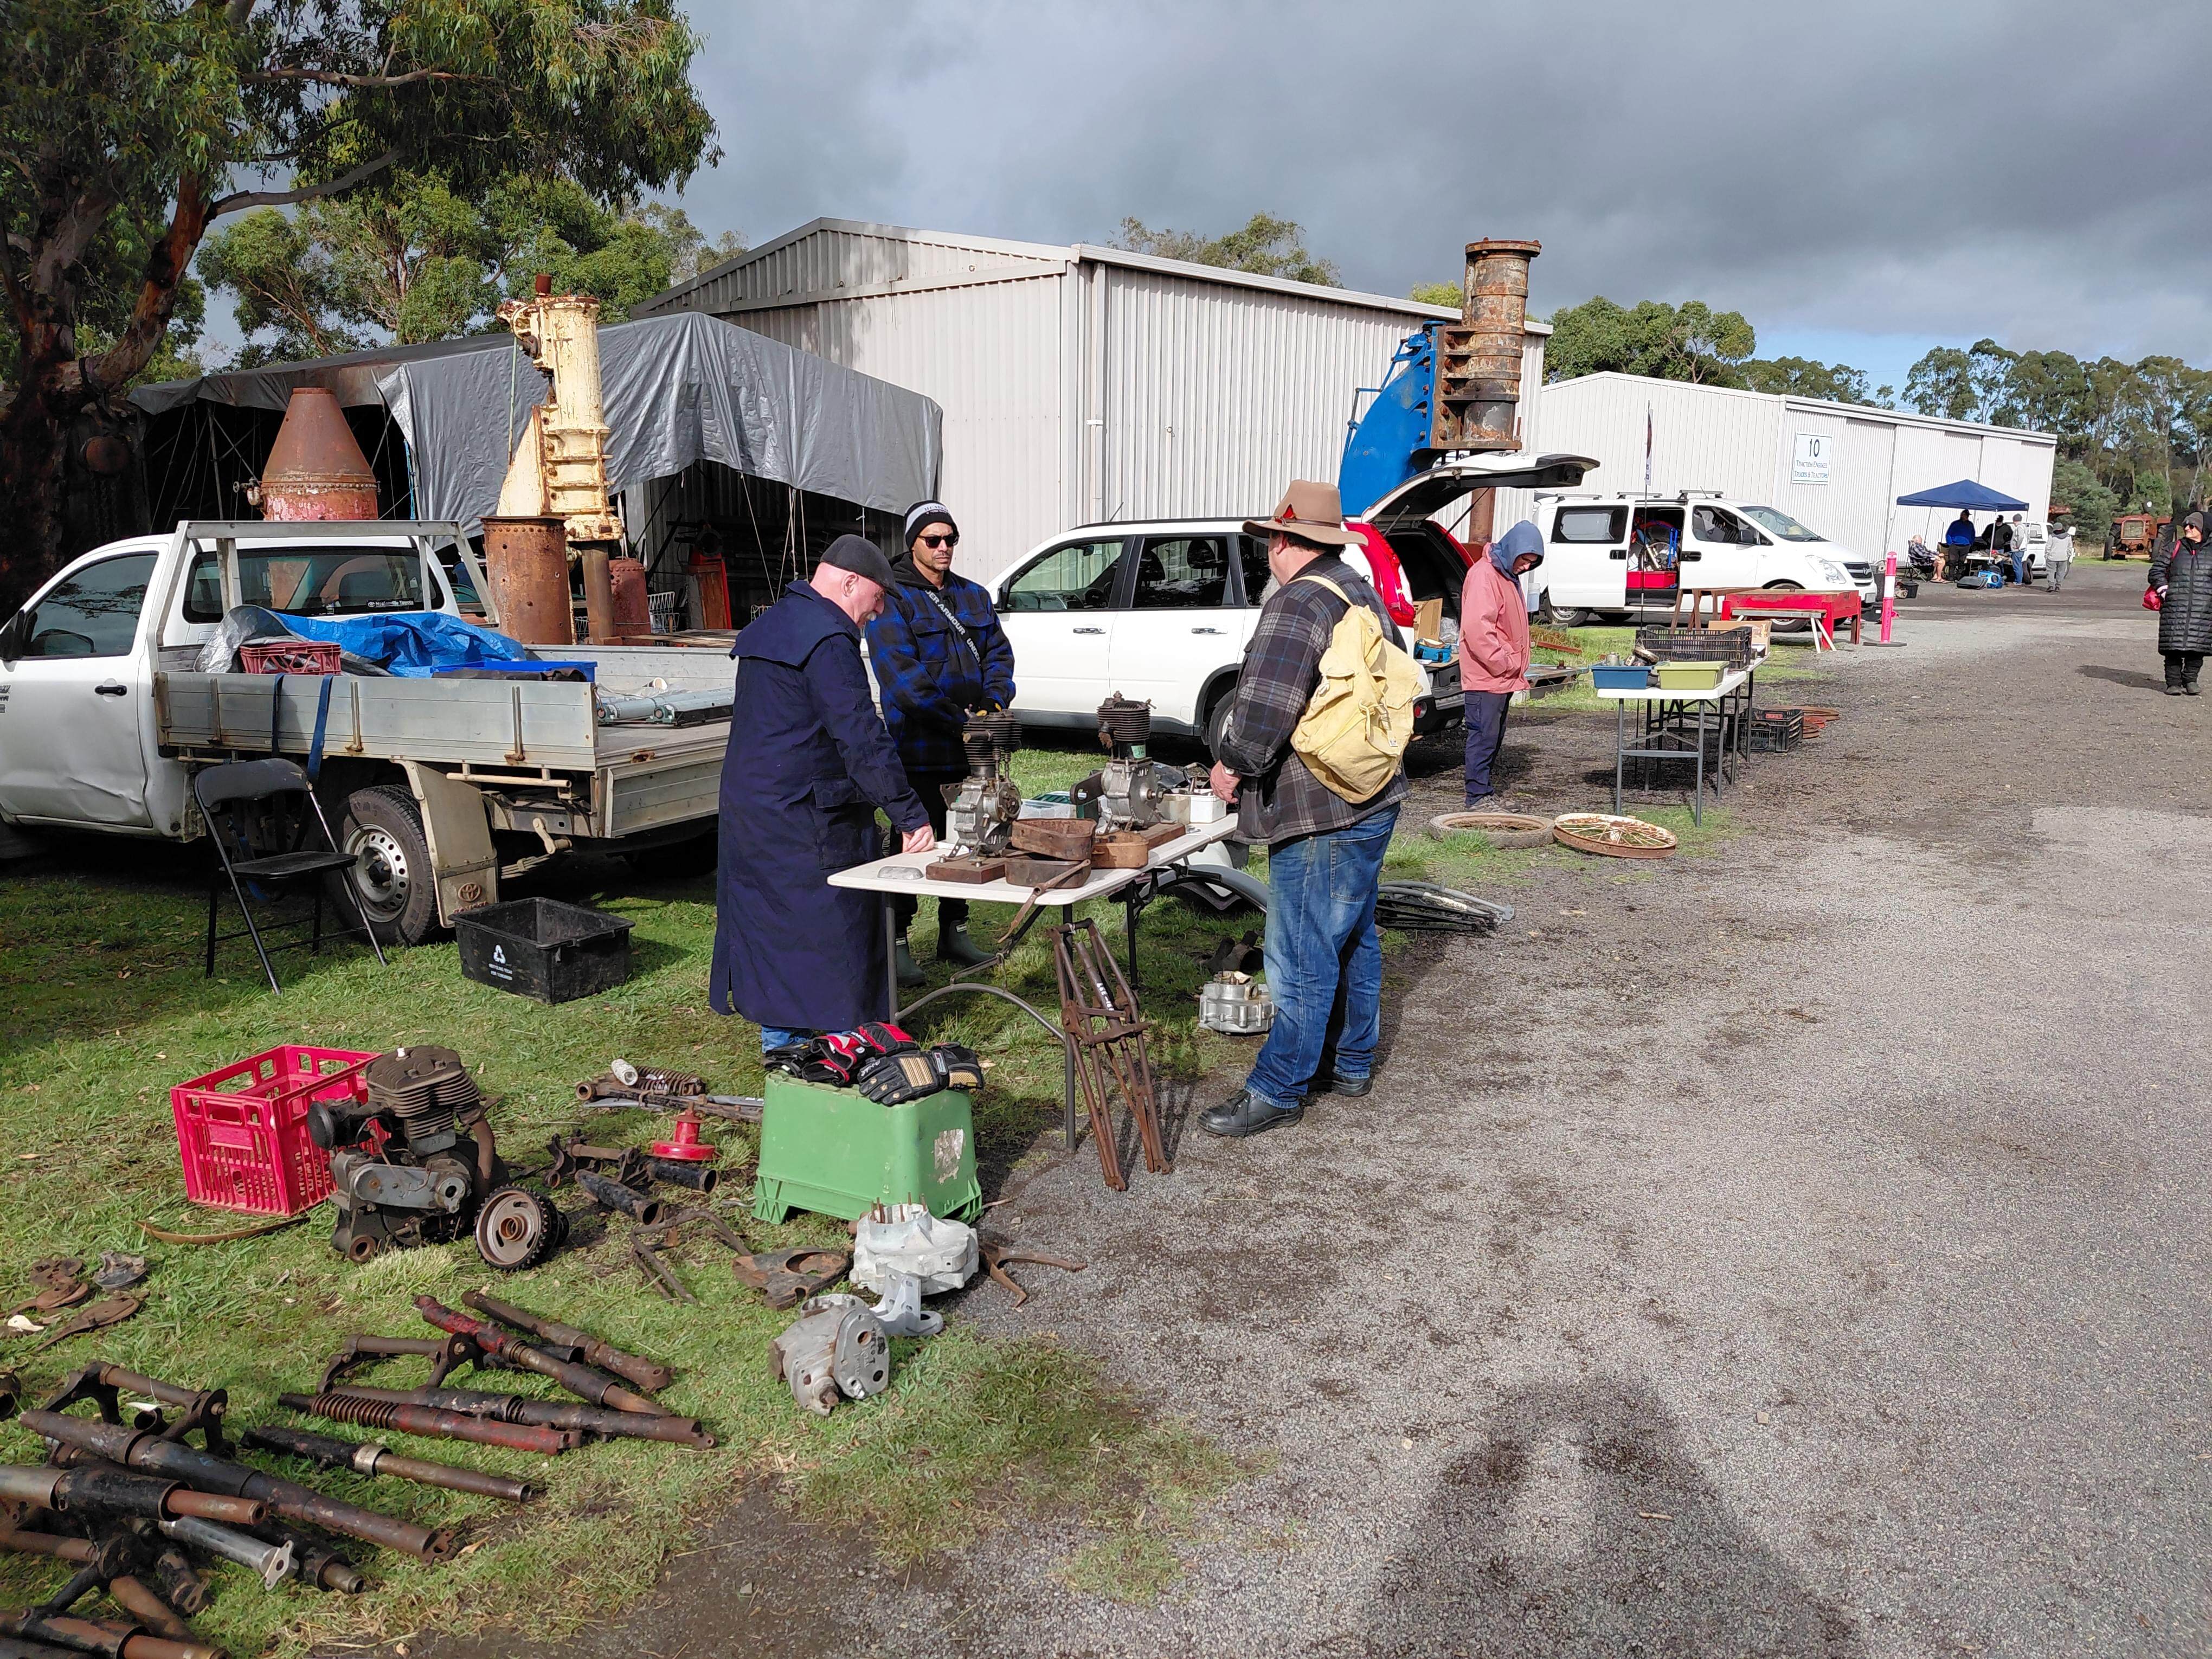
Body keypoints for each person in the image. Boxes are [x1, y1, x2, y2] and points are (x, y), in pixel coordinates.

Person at [1200, 480, 1407, 1140]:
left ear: (1282, 541)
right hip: (1374, 792)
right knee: (1353, 936)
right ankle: (1348, 1063)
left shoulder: (1296, 603)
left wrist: (1231, 764)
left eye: (1270, 541)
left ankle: (1280, 1086)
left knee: (1299, 950)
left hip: (1318, 806)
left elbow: (1262, 711)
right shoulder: (1359, 590)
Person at [710, 535, 935, 1048]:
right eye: (876, 599)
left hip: (754, 809)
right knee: (835, 930)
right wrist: (908, 815)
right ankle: (842, 1046)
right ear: (848, 581)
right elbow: (861, 737)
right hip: (807, 815)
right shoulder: (828, 640)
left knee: (772, 927)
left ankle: (783, 1048)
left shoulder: (775, 624)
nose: (876, 614)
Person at [864, 500, 1018, 985]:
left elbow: (998, 653)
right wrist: (959, 721)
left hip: (974, 752)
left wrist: (993, 705)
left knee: (971, 838)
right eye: (933, 540)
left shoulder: (973, 596)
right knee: (915, 843)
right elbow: (902, 681)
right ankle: (899, 940)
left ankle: (955, 930)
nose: (944, 548)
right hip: (920, 749)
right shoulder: (894, 600)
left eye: (950, 539)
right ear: (912, 543)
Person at [1460, 519, 1545, 809]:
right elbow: (1478, 629)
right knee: (1483, 737)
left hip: (1500, 676)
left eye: (1532, 563)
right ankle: (1477, 797)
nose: (1525, 567)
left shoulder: (1506, 574)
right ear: (1513, 550)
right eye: (1525, 560)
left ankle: (1484, 792)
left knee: (1493, 736)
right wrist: (1505, 663)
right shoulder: (1486, 576)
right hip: (1487, 676)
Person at [2149, 512, 2212, 695]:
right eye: (2185, 525)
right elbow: (2156, 571)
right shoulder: (2174, 547)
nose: (2187, 528)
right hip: (2175, 606)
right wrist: (2164, 590)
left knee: (2197, 647)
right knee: (2173, 647)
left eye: (2192, 526)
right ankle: (2173, 683)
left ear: (2203, 529)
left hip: (2204, 608)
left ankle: (2191, 680)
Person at [1943, 511, 1975, 581]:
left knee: (1962, 562)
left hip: (1966, 546)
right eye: (1962, 515)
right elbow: (1949, 534)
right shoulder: (1955, 524)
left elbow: (1973, 535)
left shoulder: (1970, 525)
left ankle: (1959, 577)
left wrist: (1970, 543)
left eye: (1965, 515)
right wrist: (1950, 543)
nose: (1963, 516)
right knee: (1952, 562)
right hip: (1954, 545)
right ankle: (1951, 577)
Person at [2045, 520, 2076, 592]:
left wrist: (2047, 556)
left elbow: (2048, 547)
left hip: (2052, 557)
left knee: (2050, 572)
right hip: (2063, 557)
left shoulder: (2052, 536)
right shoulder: (2068, 537)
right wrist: (2067, 555)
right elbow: (2070, 547)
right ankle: (2058, 586)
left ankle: (2051, 586)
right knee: (2061, 572)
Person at [1991, 513, 2016, 583]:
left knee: (2000, 563)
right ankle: (1991, 575)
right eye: (1997, 521)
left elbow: (2011, 536)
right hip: (1991, 548)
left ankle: (2000, 576)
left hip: (2000, 548)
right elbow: (1985, 535)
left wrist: (2005, 540)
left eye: (2000, 521)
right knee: (1990, 562)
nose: (1998, 522)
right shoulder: (1991, 527)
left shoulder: (2007, 528)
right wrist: (1989, 541)